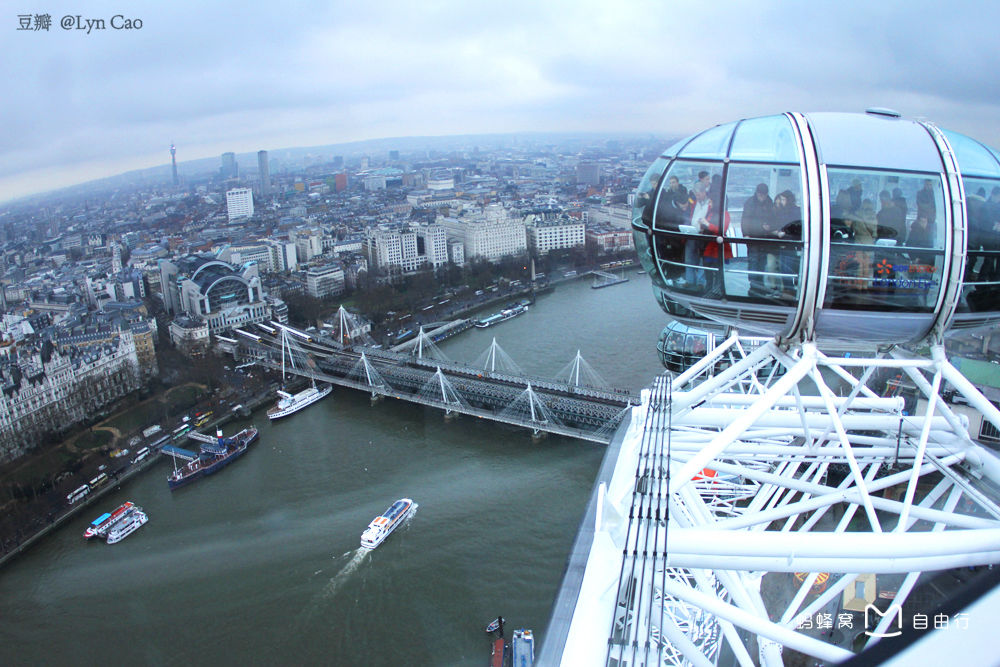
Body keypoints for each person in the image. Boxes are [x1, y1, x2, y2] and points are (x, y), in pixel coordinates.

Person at [741, 183, 774, 294]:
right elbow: (746, 220)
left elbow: (772, 217)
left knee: (762, 261)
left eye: (764, 195)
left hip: (764, 238)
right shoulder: (750, 203)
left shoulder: (769, 202)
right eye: (761, 195)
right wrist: (746, 235)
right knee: (754, 260)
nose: (762, 197)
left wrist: (769, 226)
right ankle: (754, 284)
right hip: (753, 237)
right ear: (757, 193)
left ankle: (759, 283)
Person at [772, 190, 801, 294]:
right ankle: (787, 290)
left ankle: (789, 290)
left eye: (783, 199)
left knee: (787, 269)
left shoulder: (795, 211)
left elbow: (796, 227)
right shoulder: (783, 211)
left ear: (789, 200)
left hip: (790, 244)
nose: (781, 202)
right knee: (783, 269)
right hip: (784, 243)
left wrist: (784, 233)